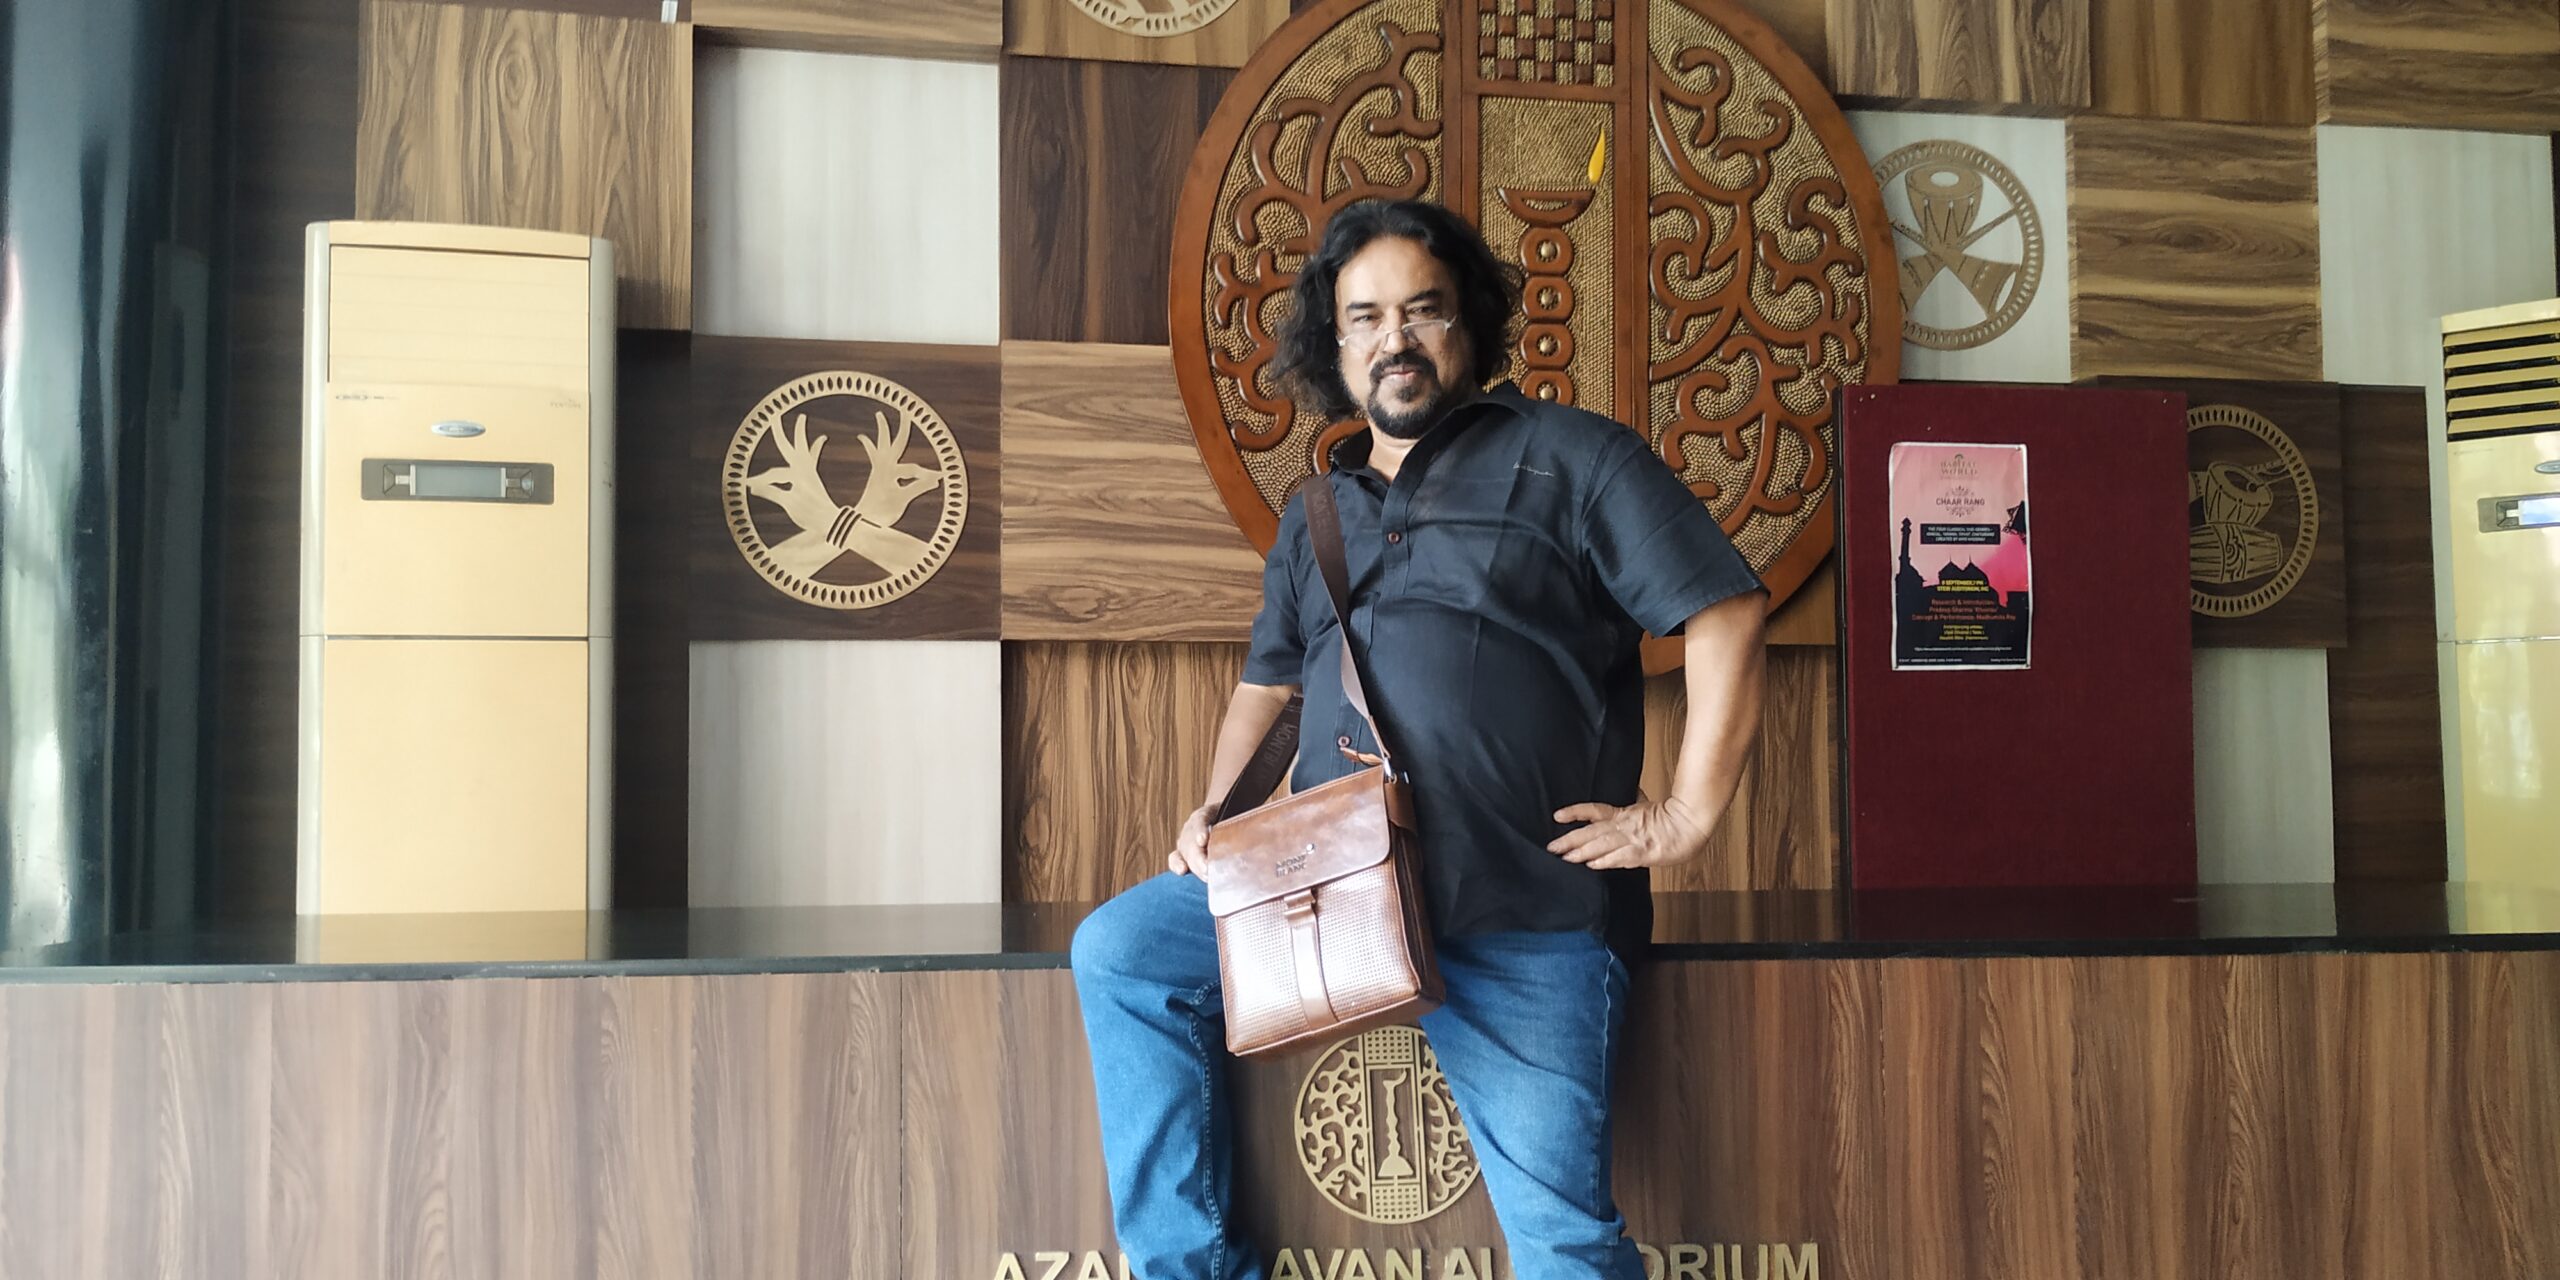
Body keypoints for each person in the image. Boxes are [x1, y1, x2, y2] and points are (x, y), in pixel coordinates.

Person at [1070, 197, 1768, 1280]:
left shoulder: (1575, 458)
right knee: (1123, 952)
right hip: (1326, 889)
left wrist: (1684, 815)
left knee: (1564, 1244)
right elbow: (1268, 685)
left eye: (1422, 309)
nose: (1392, 338)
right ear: (1335, 344)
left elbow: (1723, 610)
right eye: (1364, 318)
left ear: (1469, 323)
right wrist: (1217, 816)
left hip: (1521, 909)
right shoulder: (1316, 512)